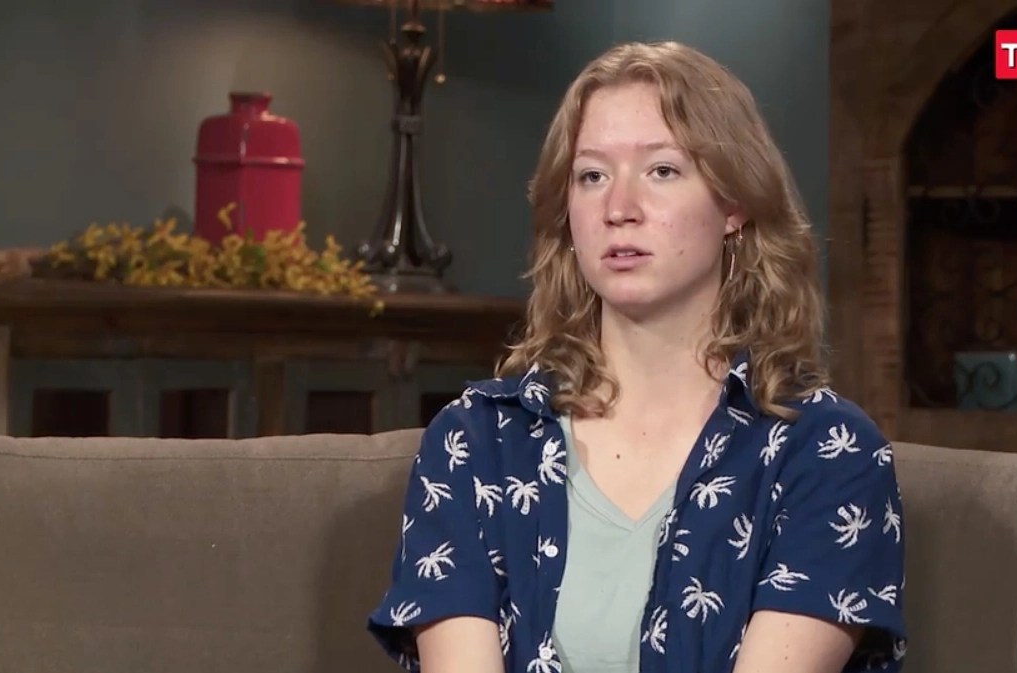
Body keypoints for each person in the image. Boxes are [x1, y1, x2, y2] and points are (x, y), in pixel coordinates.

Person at [367, 40, 908, 673]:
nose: (619, 210)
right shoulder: (476, 442)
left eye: (662, 171)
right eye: (592, 176)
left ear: (733, 204)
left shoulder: (826, 454)